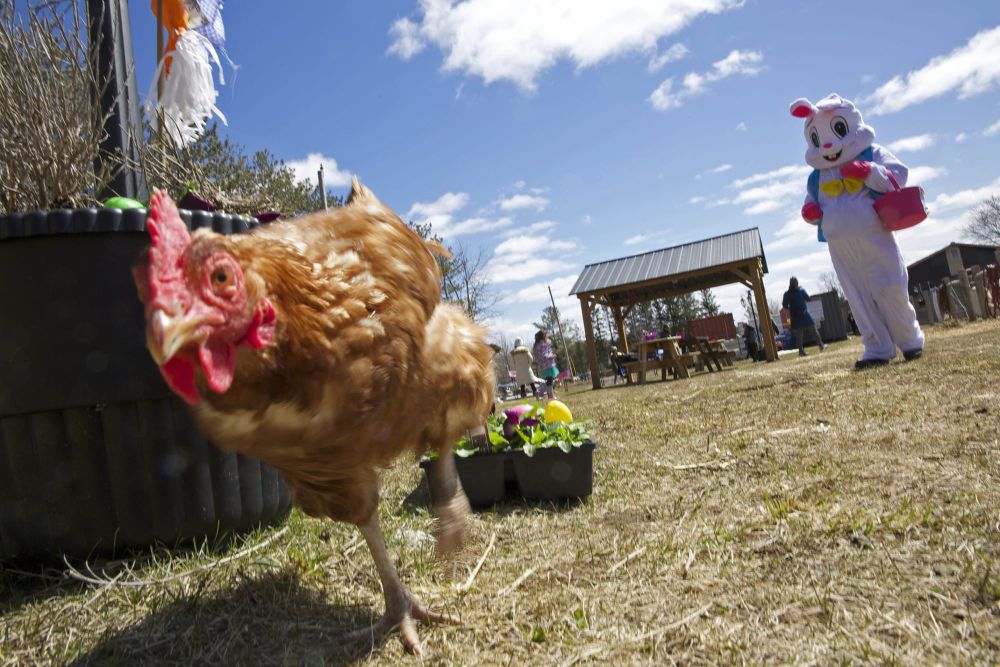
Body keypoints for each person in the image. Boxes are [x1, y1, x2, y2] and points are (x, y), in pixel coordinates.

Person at [789, 93, 924, 369]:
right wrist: (811, 213)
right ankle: (877, 347)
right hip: (840, 246)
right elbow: (811, 203)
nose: (828, 143)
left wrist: (868, 171)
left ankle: (910, 341)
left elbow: (898, 175)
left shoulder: (870, 153)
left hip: (874, 235)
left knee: (889, 286)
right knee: (857, 295)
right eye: (817, 138)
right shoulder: (818, 176)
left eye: (837, 130)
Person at [782, 277, 827, 357]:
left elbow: (784, 305)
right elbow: (808, 299)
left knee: (799, 335)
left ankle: (801, 351)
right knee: (813, 330)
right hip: (804, 314)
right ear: (797, 283)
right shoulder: (801, 291)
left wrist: (792, 309)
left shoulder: (787, 294)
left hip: (795, 316)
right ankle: (821, 346)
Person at [532, 330, 558, 399]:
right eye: (546, 336)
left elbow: (547, 352)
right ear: (543, 337)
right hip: (546, 366)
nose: (547, 337)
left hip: (546, 365)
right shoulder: (540, 346)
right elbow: (543, 355)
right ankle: (550, 396)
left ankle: (541, 393)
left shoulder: (542, 345)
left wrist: (551, 355)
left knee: (548, 380)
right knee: (549, 381)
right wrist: (551, 356)